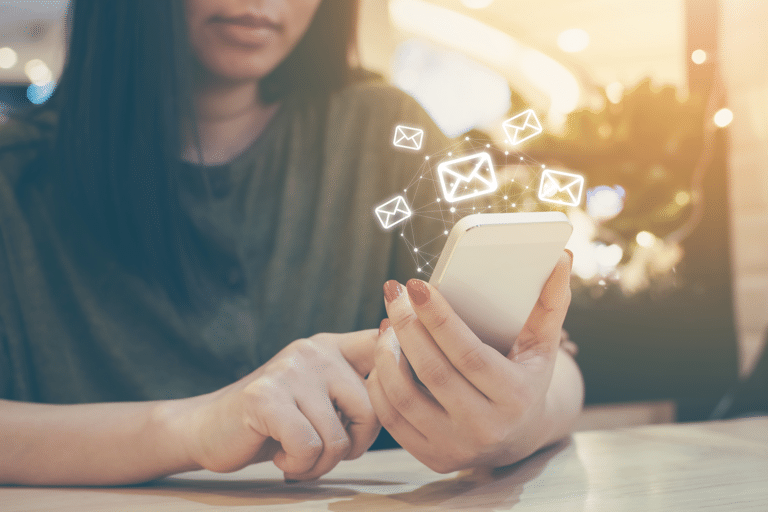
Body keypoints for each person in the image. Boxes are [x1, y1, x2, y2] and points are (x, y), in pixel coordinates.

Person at [0, 0, 584, 485]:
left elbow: (552, 367)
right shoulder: (17, 176)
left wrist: (517, 421)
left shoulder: (380, 134)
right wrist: (195, 426)